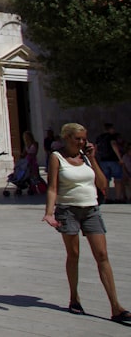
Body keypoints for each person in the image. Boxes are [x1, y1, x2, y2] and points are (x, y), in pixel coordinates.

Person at [43, 123, 131, 323]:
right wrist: (49, 212)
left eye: (84, 138)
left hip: (91, 209)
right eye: (78, 139)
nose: (82, 142)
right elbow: (52, 188)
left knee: (102, 255)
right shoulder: (57, 157)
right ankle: (74, 298)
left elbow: (102, 184)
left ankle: (116, 307)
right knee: (73, 254)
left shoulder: (86, 158)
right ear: (67, 138)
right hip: (68, 211)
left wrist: (92, 158)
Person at [96, 123, 124, 203]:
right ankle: (118, 198)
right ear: (110, 129)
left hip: (103, 160)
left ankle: (107, 198)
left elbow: (96, 148)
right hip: (113, 160)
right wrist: (120, 158)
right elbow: (114, 145)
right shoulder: (111, 137)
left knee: (106, 180)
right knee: (117, 179)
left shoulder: (99, 137)